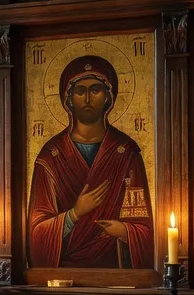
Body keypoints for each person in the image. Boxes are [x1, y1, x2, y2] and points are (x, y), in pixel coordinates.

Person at [28, 57, 153, 268]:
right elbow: (37, 232)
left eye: (95, 90)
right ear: (68, 99)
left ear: (108, 97)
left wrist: (124, 231)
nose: (87, 98)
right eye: (79, 91)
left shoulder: (126, 153)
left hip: (116, 272)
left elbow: (144, 226)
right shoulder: (50, 157)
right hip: (62, 275)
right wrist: (75, 214)